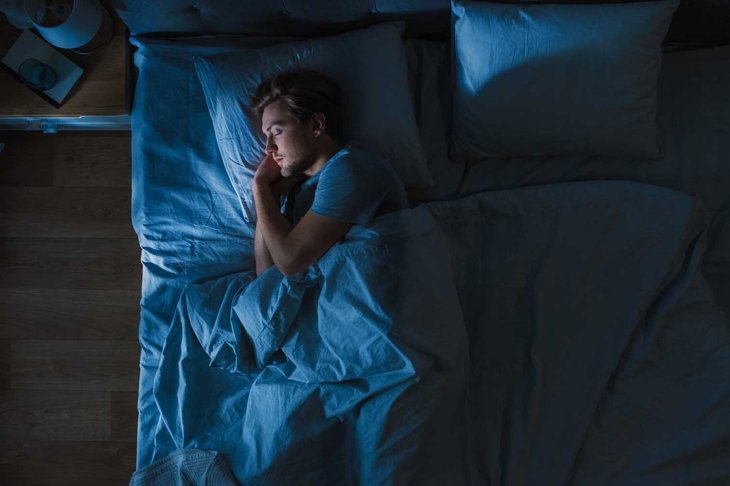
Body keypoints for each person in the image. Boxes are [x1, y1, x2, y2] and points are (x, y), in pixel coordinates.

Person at [250, 70, 408, 277]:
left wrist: (260, 186)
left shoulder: (351, 169)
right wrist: (270, 196)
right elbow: (266, 278)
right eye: (266, 136)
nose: (268, 148)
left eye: (277, 131)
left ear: (316, 125)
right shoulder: (296, 190)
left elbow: (289, 262)